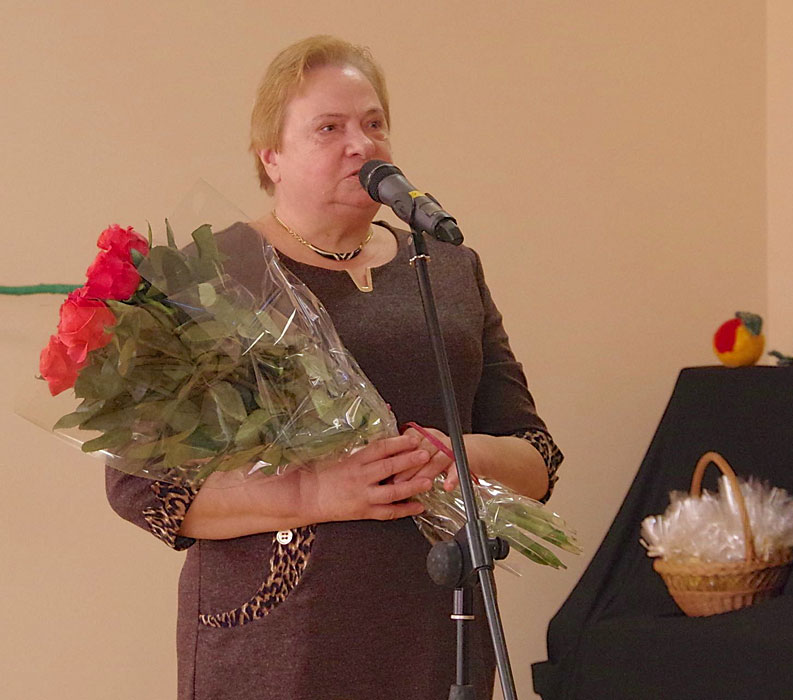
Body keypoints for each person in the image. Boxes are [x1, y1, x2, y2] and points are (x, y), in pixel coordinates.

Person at [105, 35, 562, 700]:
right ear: (272, 156)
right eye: (329, 128)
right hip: (276, 645)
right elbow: (143, 488)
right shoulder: (209, 277)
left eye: (374, 124)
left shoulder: (446, 267)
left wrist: (459, 456)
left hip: (436, 628)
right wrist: (314, 494)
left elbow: (537, 457)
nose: (362, 144)